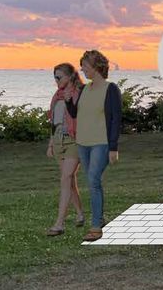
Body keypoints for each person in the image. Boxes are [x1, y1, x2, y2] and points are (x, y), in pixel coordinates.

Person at [66, 49, 121, 242]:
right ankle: (101, 218)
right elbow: (74, 113)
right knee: (92, 182)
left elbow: (115, 119)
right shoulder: (84, 90)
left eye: (85, 67)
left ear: (97, 67)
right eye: (82, 68)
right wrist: (68, 98)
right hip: (83, 143)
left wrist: (113, 147)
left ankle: (96, 226)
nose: (83, 71)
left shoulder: (111, 89)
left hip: (101, 143)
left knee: (93, 180)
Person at [45, 63, 86, 236]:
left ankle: (59, 223)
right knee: (69, 181)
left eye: (59, 77)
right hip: (58, 141)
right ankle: (80, 214)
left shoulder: (80, 93)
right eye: (54, 77)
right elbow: (54, 122)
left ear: (70, 76)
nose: (56, 80)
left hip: (74, 141)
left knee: (65, 178)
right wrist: (50, 143)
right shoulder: (57, 96)